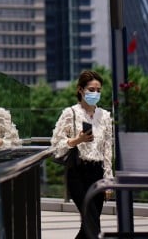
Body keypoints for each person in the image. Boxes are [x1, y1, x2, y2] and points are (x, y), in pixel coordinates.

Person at [50, 69, 113, 239]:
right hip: (77, 172)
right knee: (92, 223)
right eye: (91, 90)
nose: (95, 93)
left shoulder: (105, 116)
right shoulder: (70, 113)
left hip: (98, 173)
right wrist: (77, 140)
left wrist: (108, 178)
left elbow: (108, 149)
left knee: (90, 226)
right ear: (80, 90)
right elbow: (56, 145)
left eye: (98, 90)